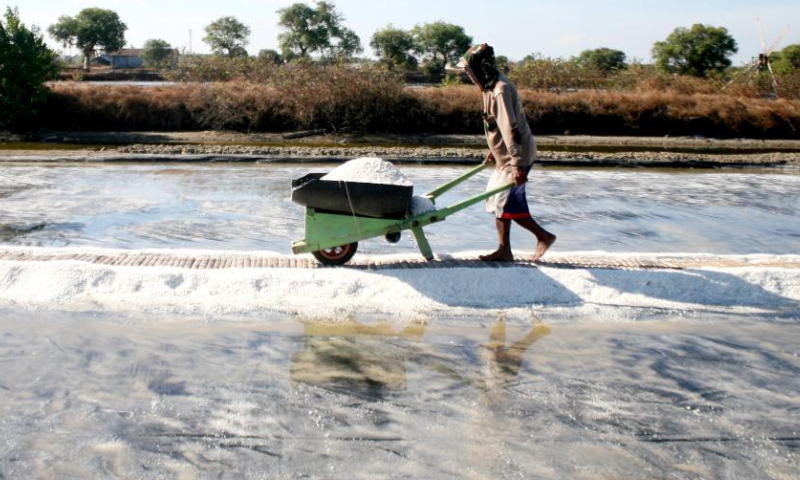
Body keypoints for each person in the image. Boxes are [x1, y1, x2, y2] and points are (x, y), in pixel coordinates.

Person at [457, 44, 556, 262]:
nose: (468, 75)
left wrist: (517, 165)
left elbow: (511, 129)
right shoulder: (488, 86)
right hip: (507, 156)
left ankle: (543, 236)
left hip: (517, 155)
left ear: (479, 68)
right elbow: (495, 126)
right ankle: (505, 249)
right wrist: (493, 149)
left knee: (506, 204)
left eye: (469, 70)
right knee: (497, 202)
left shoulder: (500, 90)